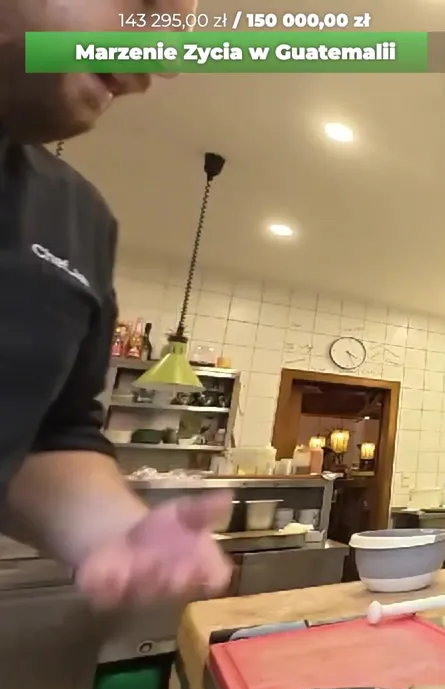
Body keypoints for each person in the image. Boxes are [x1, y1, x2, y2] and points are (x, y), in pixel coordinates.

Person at [0, 0, 233, 609]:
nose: (168, 60)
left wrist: (119, 532)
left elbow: (48, 436)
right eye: (146, 2)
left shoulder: (77, 219)